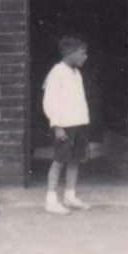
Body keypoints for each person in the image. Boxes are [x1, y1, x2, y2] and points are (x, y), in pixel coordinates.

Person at [42, 35, 92, 215]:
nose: (85, 57)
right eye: (82, 53)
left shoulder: (76, 73)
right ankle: (51, 199)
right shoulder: (57, 72)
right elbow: (50, 101)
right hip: (64, 125)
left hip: (78, 123)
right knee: (59, 161)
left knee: (75, 160)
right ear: (70, 54)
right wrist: (57, 125)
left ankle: (70, 196)